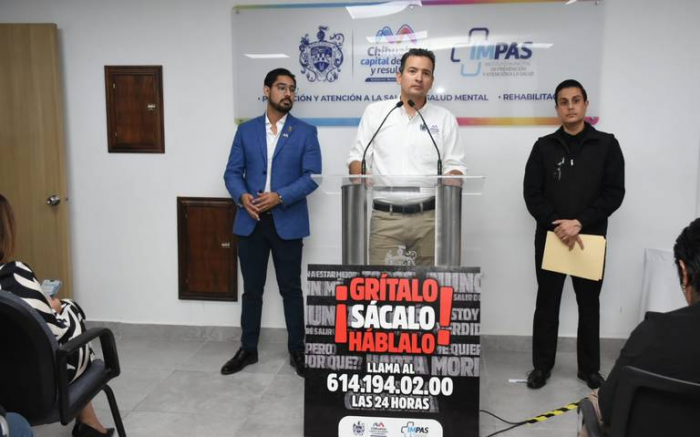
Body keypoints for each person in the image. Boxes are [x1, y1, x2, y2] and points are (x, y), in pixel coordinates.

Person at [523, 79, 625, 389]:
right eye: (564, 102)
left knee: (589, 303)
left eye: (576, 100)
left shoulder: (606, 144)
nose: (570, 106)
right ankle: (541, 367)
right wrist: (558, 224)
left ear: (586, 104)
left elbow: (614, 193)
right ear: (557, 108)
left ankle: (589, 369)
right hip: (551, 237)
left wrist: (579, 222)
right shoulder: (543, 146)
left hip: (589, 239)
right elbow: (531, 193)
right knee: (547, 303)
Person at [221, 68, 322, 377]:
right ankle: (248, 349)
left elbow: (312, 177)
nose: (288, 93)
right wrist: (242, 197)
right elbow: (232, 173)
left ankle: (297, 350)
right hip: (251, 220)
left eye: (292, 88)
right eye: (281, 87)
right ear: (267, 91)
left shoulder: (306, 132)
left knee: (291, 289)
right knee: (252, 290)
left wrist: (279, 197)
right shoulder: (246, 131)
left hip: (287, 220)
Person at [0, 194, 114, 437]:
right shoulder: (13, 275)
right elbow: (55, 335)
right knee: (69, 311)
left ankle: (89, 423)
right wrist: (61, 308)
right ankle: (90, 425)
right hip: (36, 391)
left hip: (5, 386)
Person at [578, 218, 700, 436]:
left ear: (684, 271)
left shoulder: (654, 332)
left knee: (593, 408)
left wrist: (595, 399)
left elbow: (608, 408)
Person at [347, 48, 467, 266]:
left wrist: (454, 176)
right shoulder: (376, 113)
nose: (419, 78)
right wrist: (359, 174)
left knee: (431, 285)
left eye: (426, 73)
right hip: (386, 219)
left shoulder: (444, 118)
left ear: (431, 81)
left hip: (430, 219)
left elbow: (454, 164)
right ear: (399, 76)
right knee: (383, 285)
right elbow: (357, 158)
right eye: (412, 71)